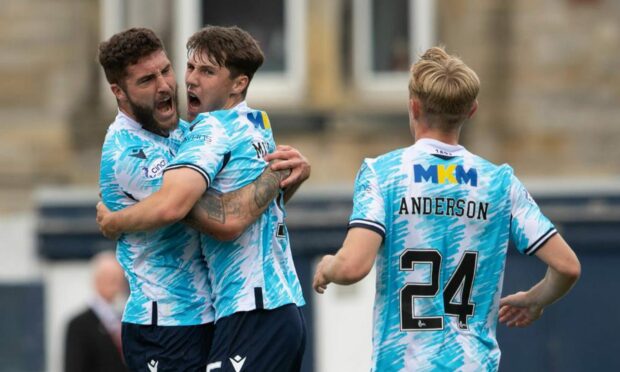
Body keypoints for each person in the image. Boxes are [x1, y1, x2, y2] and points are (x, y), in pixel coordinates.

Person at [312, 46, 581, 371]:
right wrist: (536, 299)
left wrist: (328, 266)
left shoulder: (383, 173)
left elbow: (352, 267)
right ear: (472, 111)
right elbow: (567, 267)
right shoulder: (499, 183)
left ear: (413, 106)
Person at [97, 27, 309, 371]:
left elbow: (243, 209)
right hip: (164, 324)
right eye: (147, 80)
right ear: (119, 92)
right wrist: (278, 175)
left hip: (219, 313)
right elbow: (201, 212)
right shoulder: (126, 152)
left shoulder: (192, 131)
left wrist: (282, 176)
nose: (166, 85)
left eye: (166, 70)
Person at [64, 251, 128, 372]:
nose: (116, 286)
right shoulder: (79, 325)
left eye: (118, 280)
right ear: (96, 280)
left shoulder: (123, 320)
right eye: (110, 279)